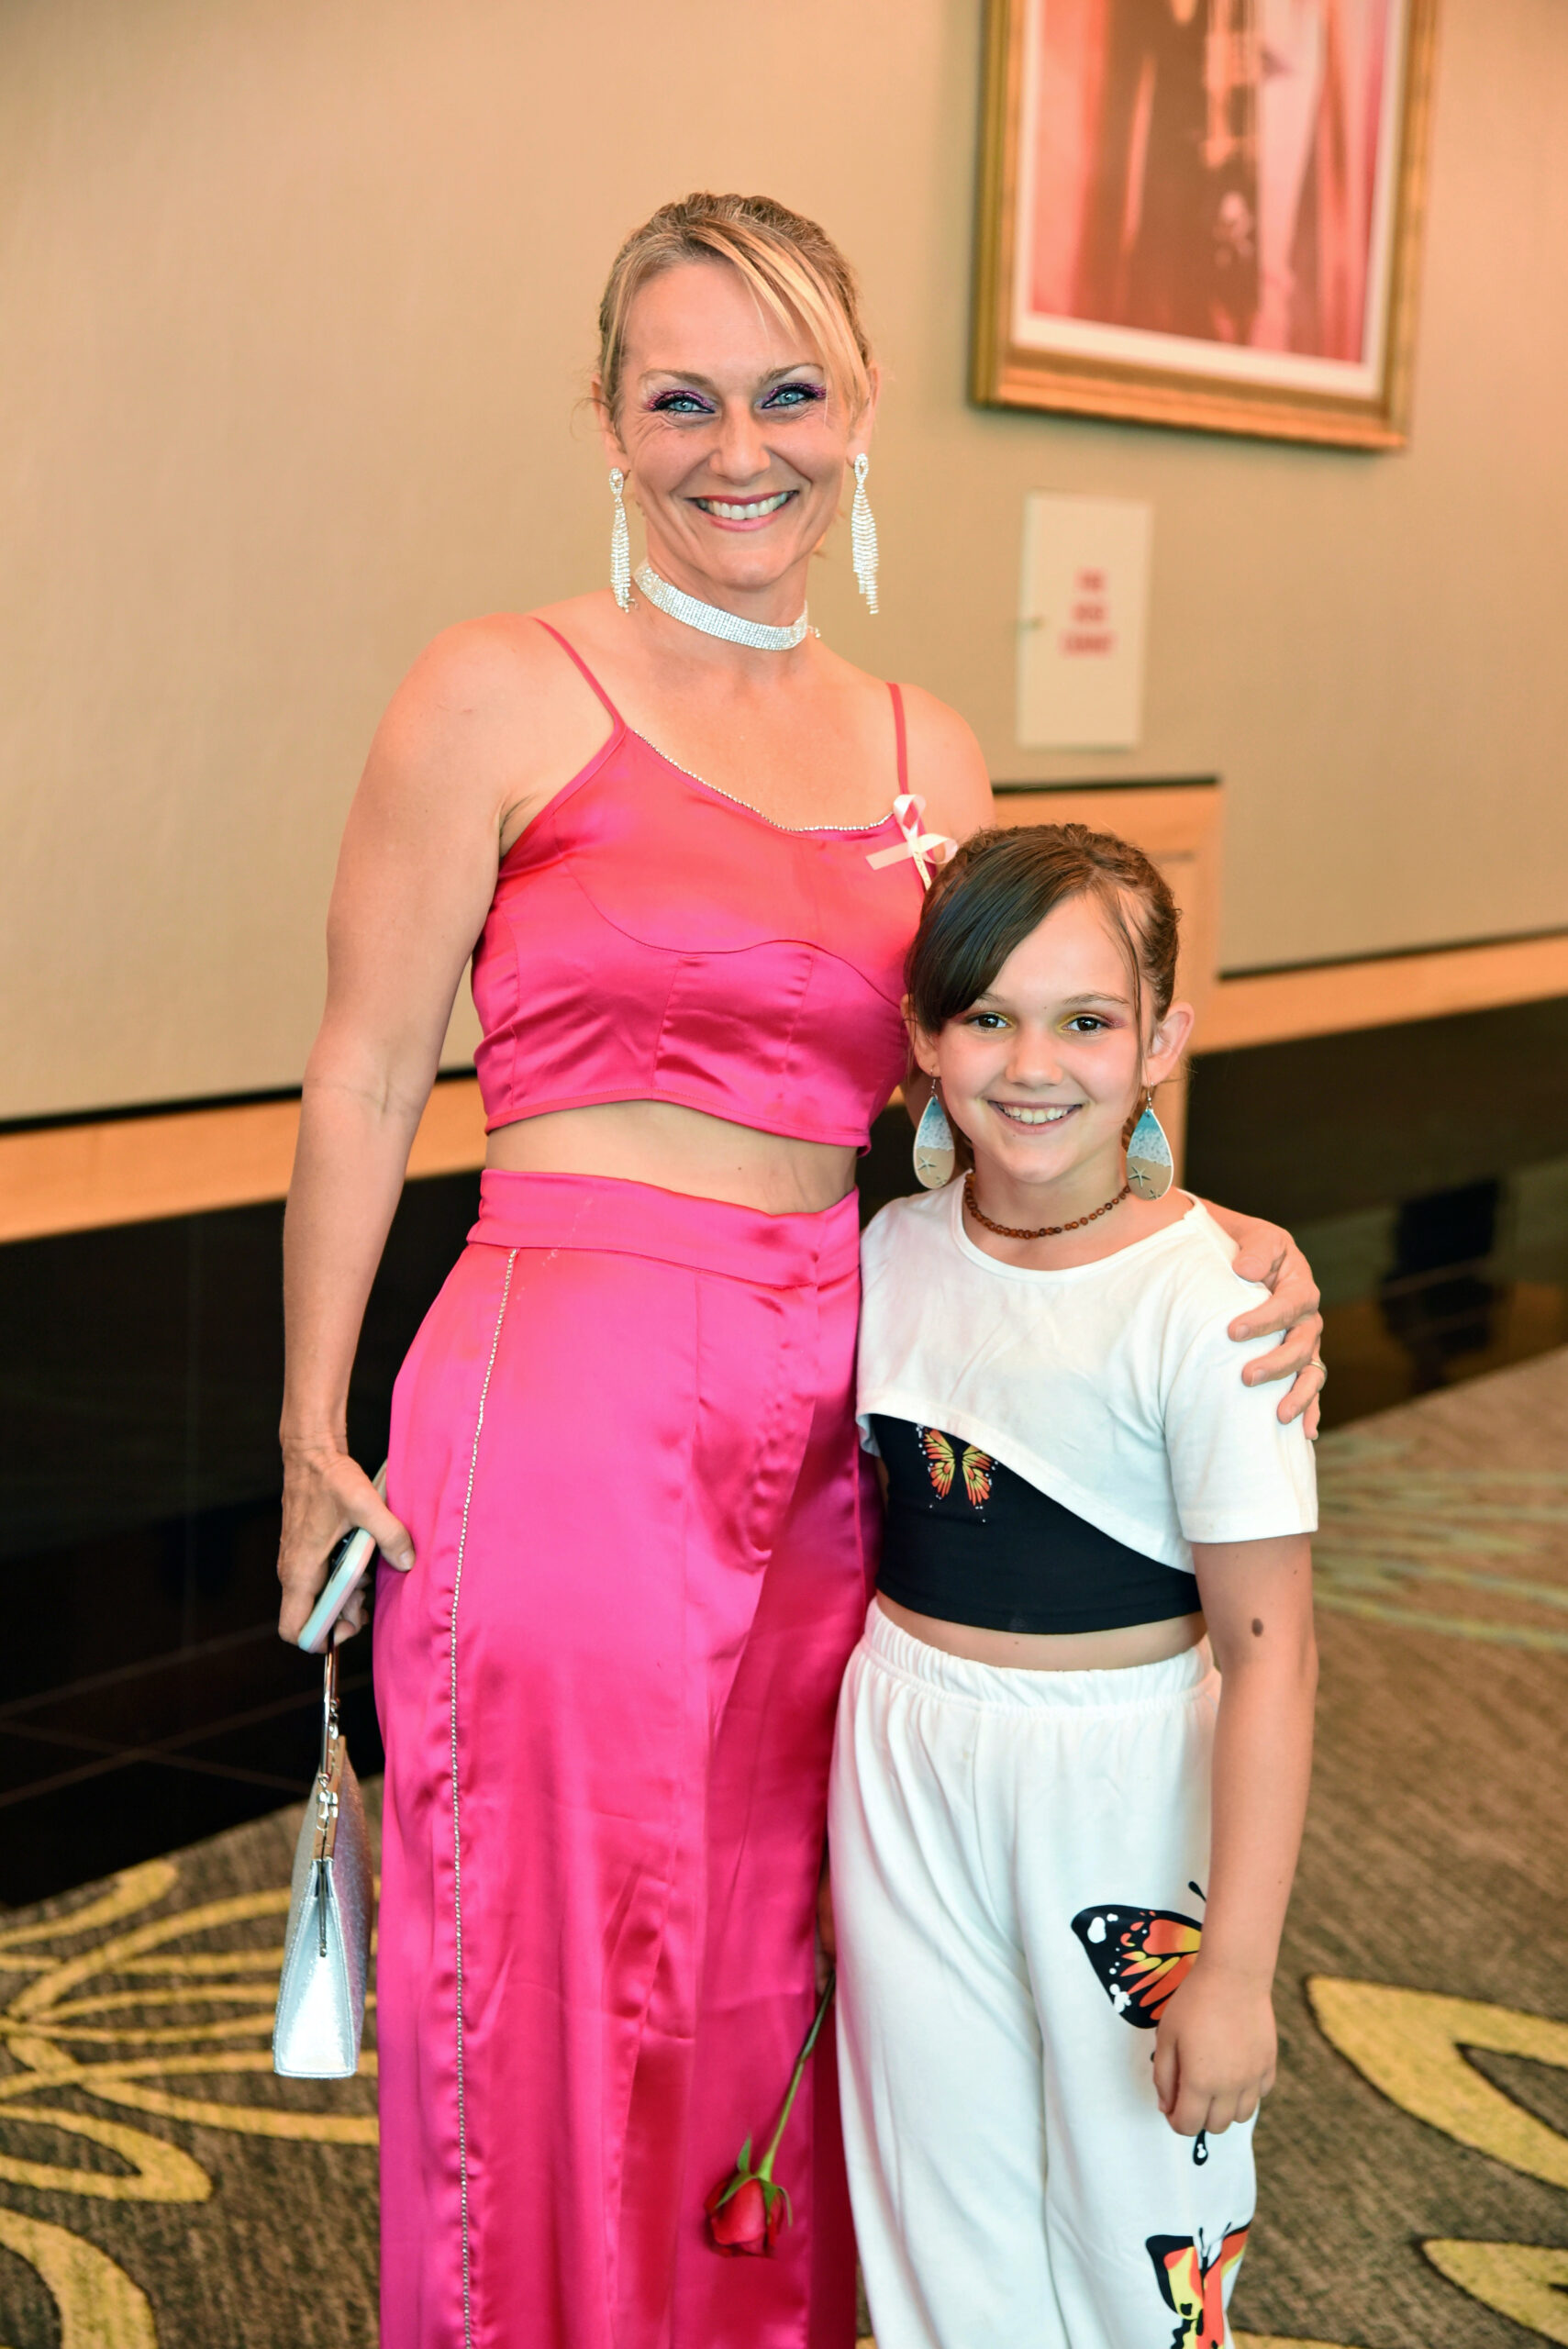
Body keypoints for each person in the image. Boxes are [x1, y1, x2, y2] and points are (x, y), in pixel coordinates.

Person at [273, 195, 1324, 2349]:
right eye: (681, 399)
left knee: (786, 1942)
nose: (738, 448)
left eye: (787, 392)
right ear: (605, 417)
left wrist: (1212, 1233)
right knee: (564, 1949)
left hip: (842, 1403)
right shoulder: (497, 687)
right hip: (563, 1388)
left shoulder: (935, 750)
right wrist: (307, 1422)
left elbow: (1002, 1088)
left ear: (859, 409)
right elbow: (368, 1069)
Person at [828, 824, 1319, 2349]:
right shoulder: (886, 1253)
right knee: (936, 2206)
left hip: (1122, 1775)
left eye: (1087, 1020)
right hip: (901, 1752)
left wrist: (1235, 1974)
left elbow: (1272, 1654)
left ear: (1161, 1041)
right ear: (922, 1039)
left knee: (1138, 2220)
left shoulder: (1214, 1300)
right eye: (986, 1016)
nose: (1032, 1064)